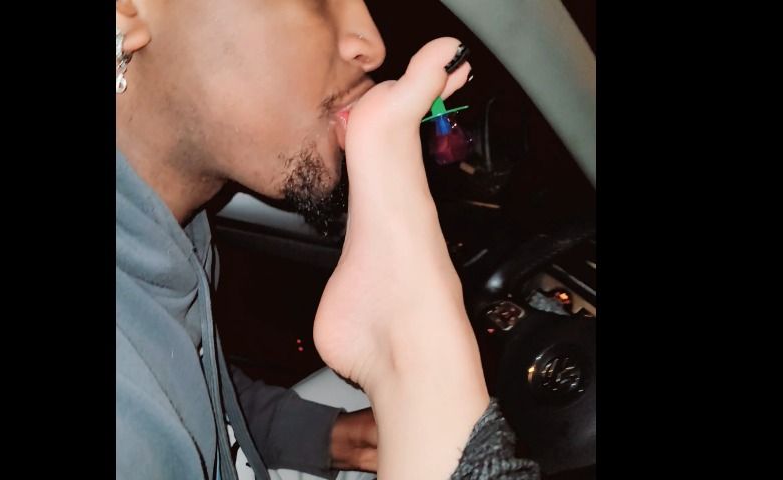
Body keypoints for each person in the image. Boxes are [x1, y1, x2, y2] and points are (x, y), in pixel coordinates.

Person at [115, 1, 537, 478]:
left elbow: (193, 383)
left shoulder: (173, 223)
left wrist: (330, 438)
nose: (371, 45)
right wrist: (417, 353)